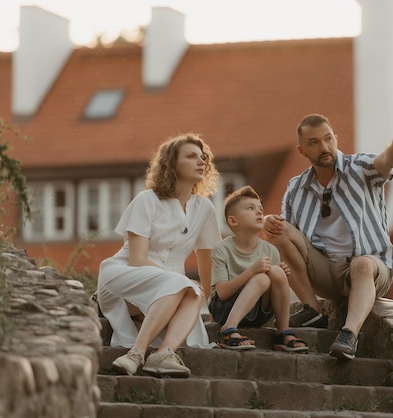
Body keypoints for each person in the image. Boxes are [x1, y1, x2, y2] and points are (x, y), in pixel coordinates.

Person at [263, 113, 393, 360]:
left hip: (370, 268)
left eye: (327, 139)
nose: (324, 147)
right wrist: (267, 222)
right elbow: (289, 239)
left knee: (362, 264)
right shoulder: (296, 188)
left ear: (335, 138)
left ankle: (349, 335)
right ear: (302, 150)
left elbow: (386, 160)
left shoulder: (360, 168)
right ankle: (312, 309)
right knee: (278, 229)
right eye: (314, 142)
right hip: (325, 271)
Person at [97, 133, 221, 377]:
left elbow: (207, 265)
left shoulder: (204, 208)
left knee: (193, 293)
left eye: (203, 157)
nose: (201, 162)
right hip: (126, 274)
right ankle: (136, 352)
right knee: (184, 287)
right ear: (172, 164)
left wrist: (216, 312)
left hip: (174, 288)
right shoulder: (147, 200)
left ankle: (163, 354)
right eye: (191, 156)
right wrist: (182, 283)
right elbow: (137, 260)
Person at [208, 186, 309, 353]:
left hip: (257, 313)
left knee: (275, 272)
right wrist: (251, 271)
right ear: (233, 221)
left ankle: (283, 332)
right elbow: (222, 292)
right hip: (224, 309)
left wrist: (281, 275)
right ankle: (228, 329)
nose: (259, 212)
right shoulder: (222, 249)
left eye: (260, 209)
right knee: (262, 278)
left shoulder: (271, 250)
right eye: (250, 208)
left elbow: (274, 286)